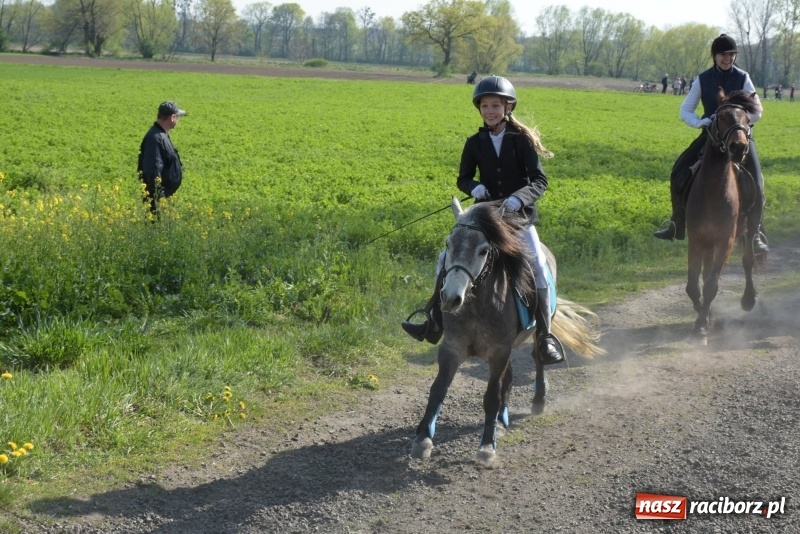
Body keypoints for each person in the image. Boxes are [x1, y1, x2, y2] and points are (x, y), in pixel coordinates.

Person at [401, 76, 563, 365]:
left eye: (496, 106)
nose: (490, 111)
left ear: (508, 107)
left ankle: (545, 336)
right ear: (479, 109)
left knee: (538, 264)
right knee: (445, 258)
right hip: (485, 219)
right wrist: (473, 187)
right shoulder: (474, 142)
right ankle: (433, 319)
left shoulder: (521, 141)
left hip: (518, 219)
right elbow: (463, 178)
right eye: (485, 106)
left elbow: (540, 180)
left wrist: (518, 198)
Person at [653, 34, 768, 254]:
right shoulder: (703, 79)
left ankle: (755, 235)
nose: (728, 58)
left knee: (757, 183)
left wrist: (741, 126)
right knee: (678, 172)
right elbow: (685, 109)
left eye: (732, 55)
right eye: (723, 55)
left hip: (739, 138)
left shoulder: (743, 77)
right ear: (714, 56)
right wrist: (701, 122)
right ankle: (676, 223)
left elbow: (757, 110)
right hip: (712, 137)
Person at [138, 101, 186, 214]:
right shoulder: (156, 139)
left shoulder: (161, 135)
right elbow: (152, 171)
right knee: (156, 228)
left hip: (164, 197)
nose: (178, 120)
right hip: (158, 200)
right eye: (177, 116)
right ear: (172, 118)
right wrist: (160, 198)